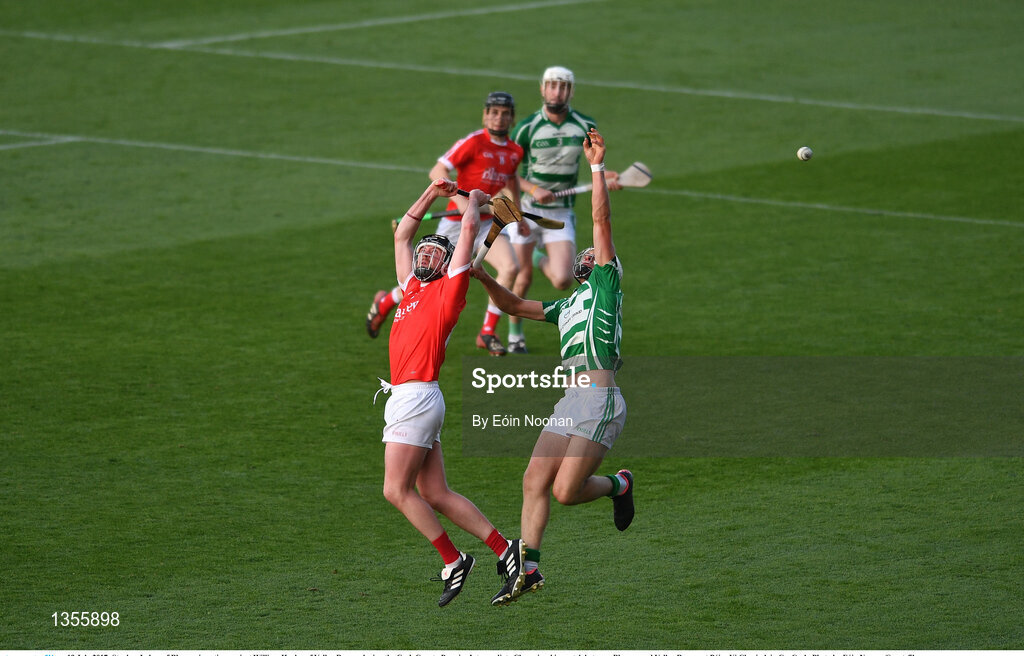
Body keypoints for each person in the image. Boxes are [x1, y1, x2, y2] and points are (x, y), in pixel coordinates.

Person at [470, 128, 633, 602]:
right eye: (586, 255)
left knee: (566, 491)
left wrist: (598, 166)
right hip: (570, 398)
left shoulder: (606, 284)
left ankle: (619, 485)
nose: (589, 254)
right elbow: (517, 307)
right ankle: (530, 569)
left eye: (593, 253)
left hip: (600, 398)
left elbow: (600, 221)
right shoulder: (569, 304)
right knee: (533, 480)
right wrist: (482, 274)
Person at [378, 178, 525, 607]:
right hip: (416, 399)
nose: (423, 255)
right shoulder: (411, 288)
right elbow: (403, 233)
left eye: (433, 254)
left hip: (415, 396)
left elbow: (464, 236)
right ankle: (505, 549)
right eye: (422, 253)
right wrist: (432, 192)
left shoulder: (450, 289)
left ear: (446, 265)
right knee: (435, 493)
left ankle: (454, 560)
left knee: (395, 490)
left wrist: (474, 204)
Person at [367, 91, 524, 356]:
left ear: (512, 118)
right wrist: (465, 206)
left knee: (510, 267)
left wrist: (517, 211)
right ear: (485, 115)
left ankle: (487, 331)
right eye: (494, 113)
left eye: (505, 114)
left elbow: (511, 180)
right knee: (425, 284)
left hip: (486, 223)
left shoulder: (514, 151)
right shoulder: (473, 142)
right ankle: (385, 303)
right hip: (455, 224)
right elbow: (437, 171)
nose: (499, 119)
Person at [504, 66, 621, 354]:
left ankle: (533, 253)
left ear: (571, 91)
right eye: (552, 86)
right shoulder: (527, 128)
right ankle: (514, 334)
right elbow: (506, 171)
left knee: (562, 279)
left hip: (560, 212)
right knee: (522, 276)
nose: (557, 92)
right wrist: (533, 189)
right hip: (528, 211)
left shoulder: (584, 125)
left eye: (564, 87)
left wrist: (606, 176)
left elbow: (595, 163)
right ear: (543, 89)